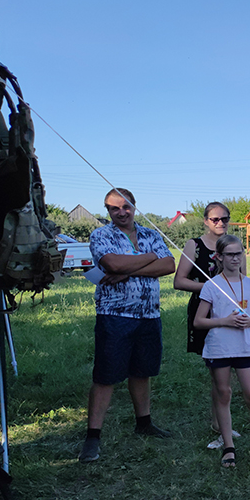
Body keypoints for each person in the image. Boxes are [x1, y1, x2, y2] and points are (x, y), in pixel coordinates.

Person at [79, 188, 176, 462]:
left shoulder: (151, 234)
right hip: (114, 315)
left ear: (134, 206)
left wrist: (127, 271)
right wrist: (149, 257)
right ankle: (92, 437)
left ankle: (144, 423)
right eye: (114, 208)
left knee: (142, 371)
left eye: (125, 206)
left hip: (149, 315)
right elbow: (111, 263)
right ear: (107, 211)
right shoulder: (101, 235)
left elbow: (169, 265)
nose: (121, 212)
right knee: (105, 376)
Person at [193, 235, 250, 468]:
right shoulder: (211, 285)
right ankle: (228, 446)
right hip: (219, 349)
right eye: (229, 254)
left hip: (245, 348)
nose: (235, 258)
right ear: (219, 257)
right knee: (223, 394)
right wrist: (224, 321)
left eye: (238, 253)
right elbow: (198, 321)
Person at [172, 201, 243, 450]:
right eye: (215, 219)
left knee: (228, 371)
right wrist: (211, 288)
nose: (220, 223)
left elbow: (242, 279)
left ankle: (220, 422)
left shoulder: (234, 245)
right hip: (205, 312)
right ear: (205, 221)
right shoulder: (194, 245)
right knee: (217, 372)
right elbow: (179, 281)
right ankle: (219, 425)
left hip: (231, 312)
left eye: (225, 218)